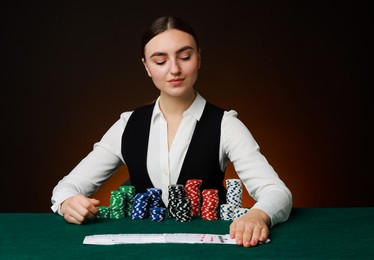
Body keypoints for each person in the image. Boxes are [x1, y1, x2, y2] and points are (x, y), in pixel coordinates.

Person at [51, 15, 292, 248]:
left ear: (199, 58)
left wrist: (259, 215)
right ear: (146, 67)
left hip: (206, 251)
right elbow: (67, 187)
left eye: (184, 56)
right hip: (139, 252)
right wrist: (67, 202)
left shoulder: (225, 124)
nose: (174, 69)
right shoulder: (128, 125)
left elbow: (277, 192)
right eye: (160, 60)